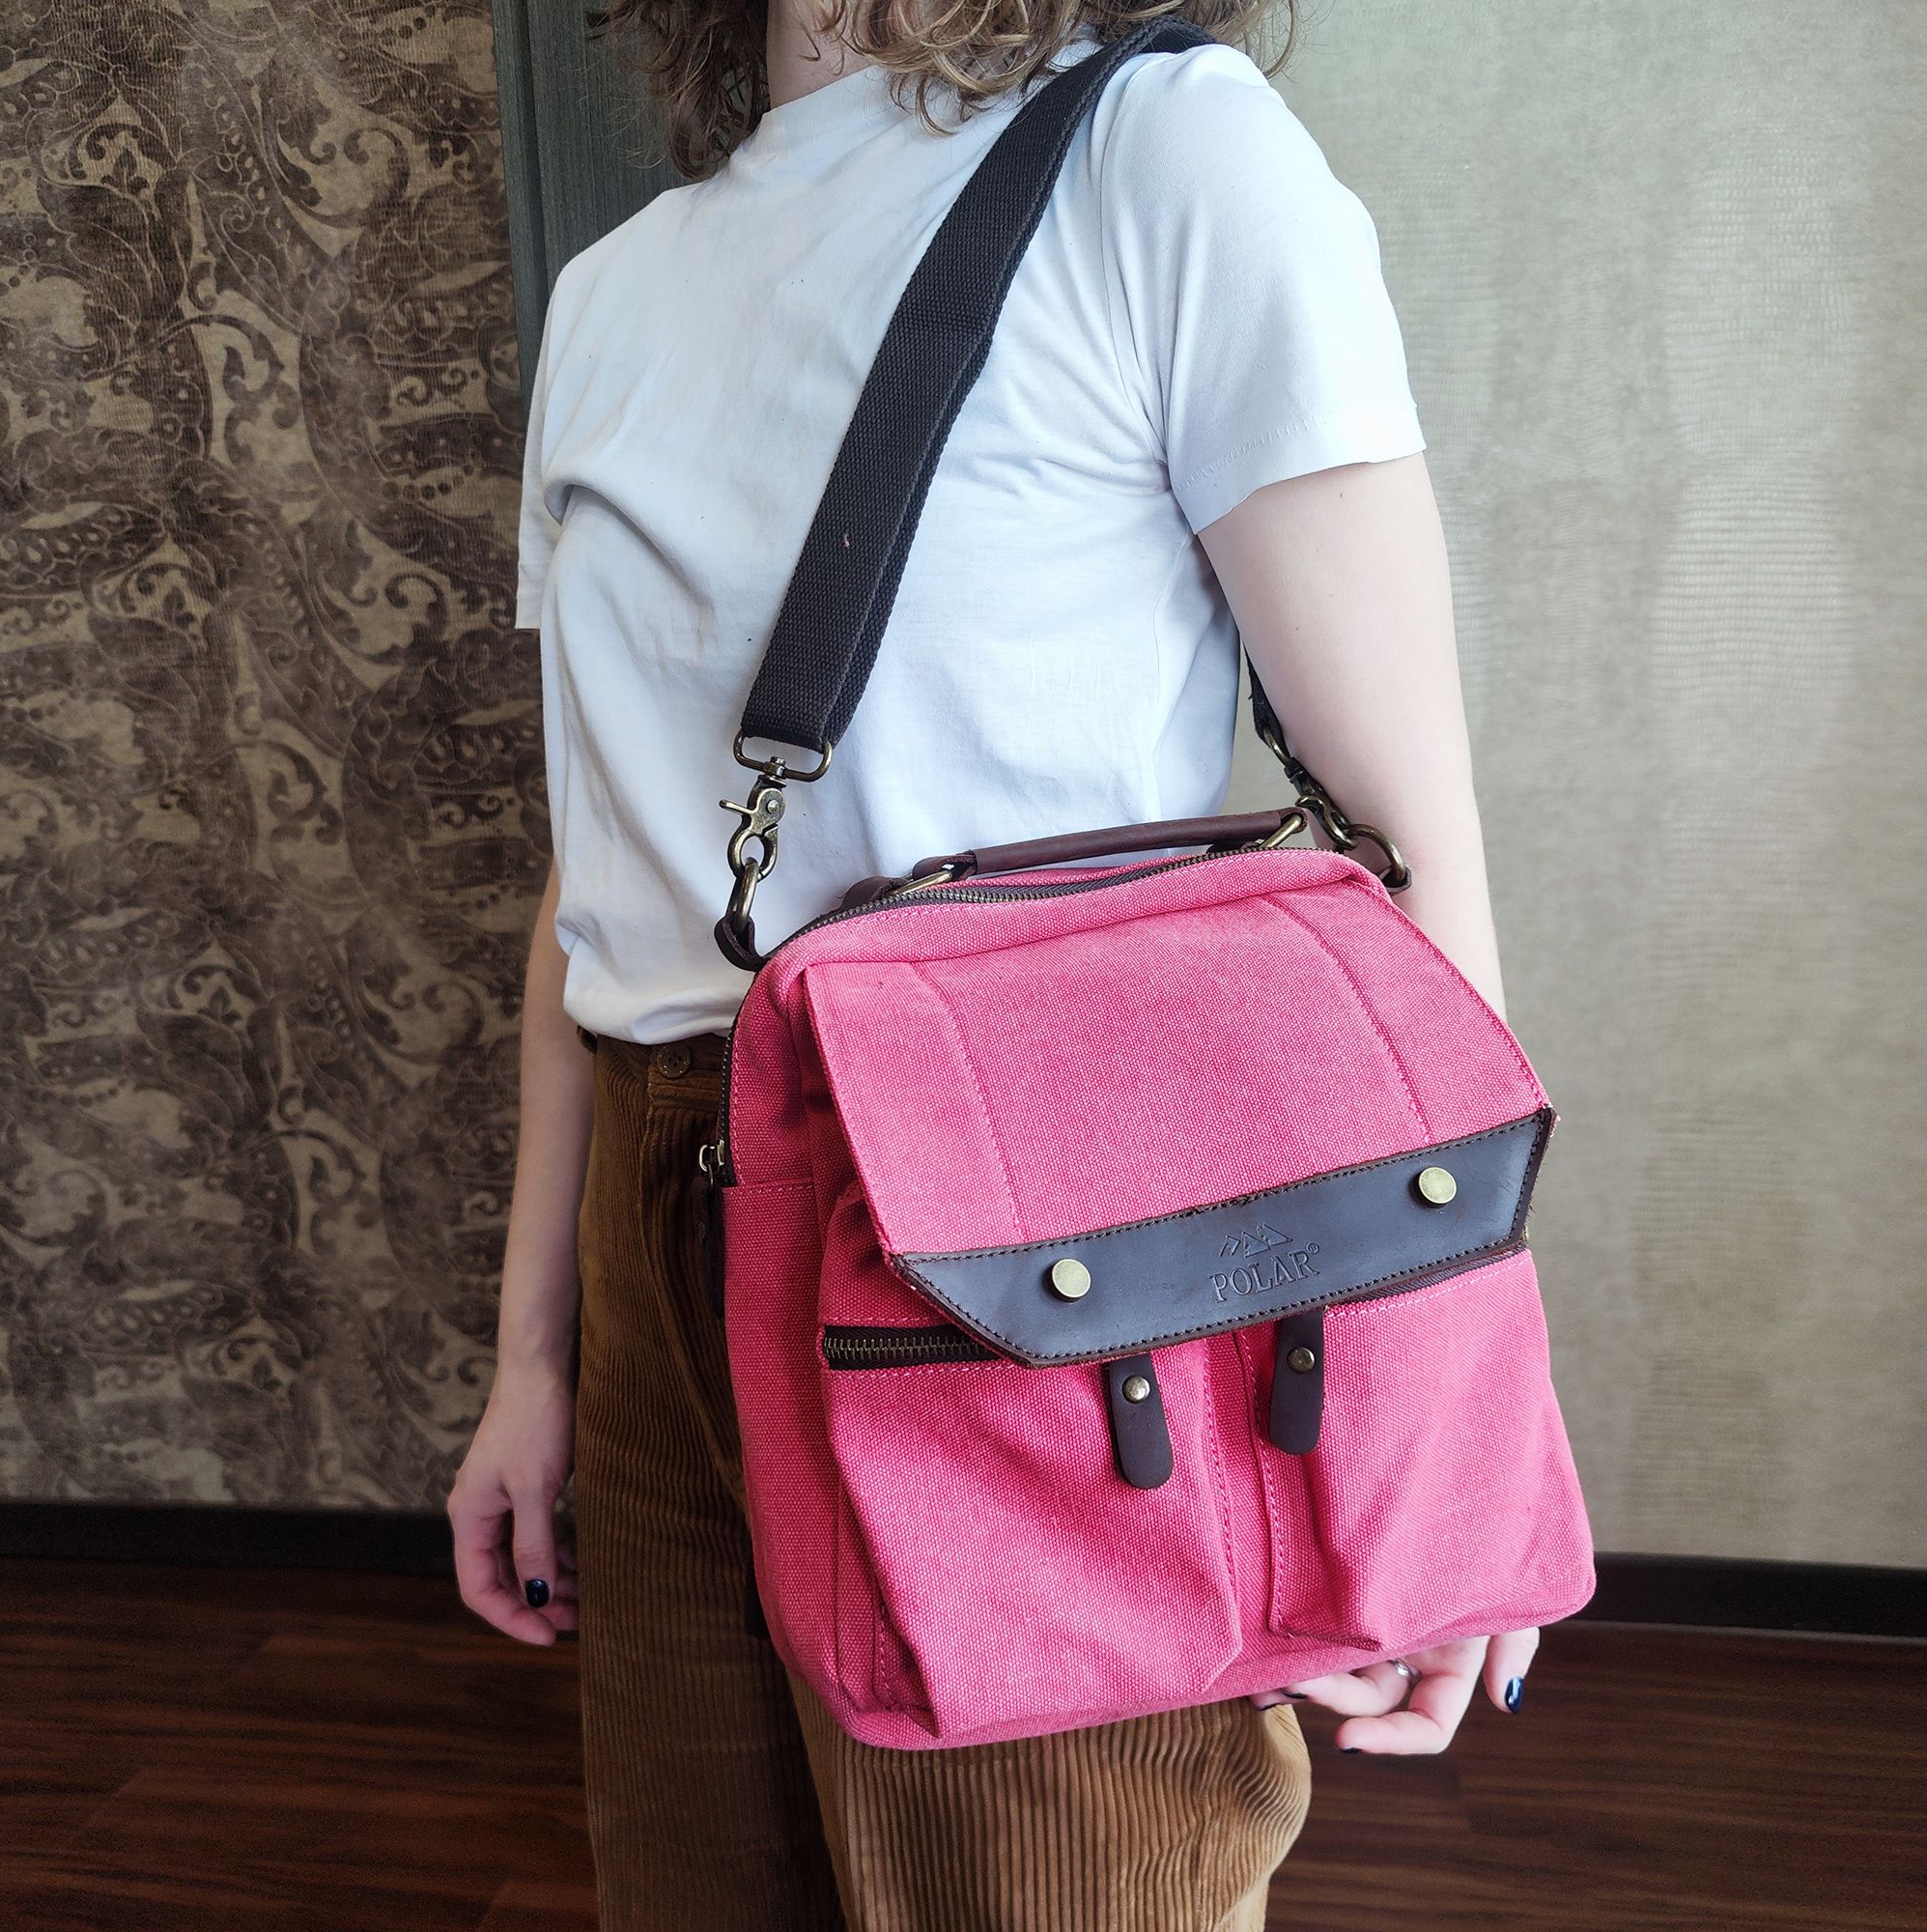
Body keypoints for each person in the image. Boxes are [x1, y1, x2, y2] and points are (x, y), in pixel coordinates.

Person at [449, 2, 1538, 1925]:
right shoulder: (615, 292)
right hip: (658, 1222)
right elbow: (597, 877)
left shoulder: (1165, 154)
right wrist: (535, 1357)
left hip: (1012, 1235)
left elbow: (1406, 835)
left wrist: (1451, 1443)